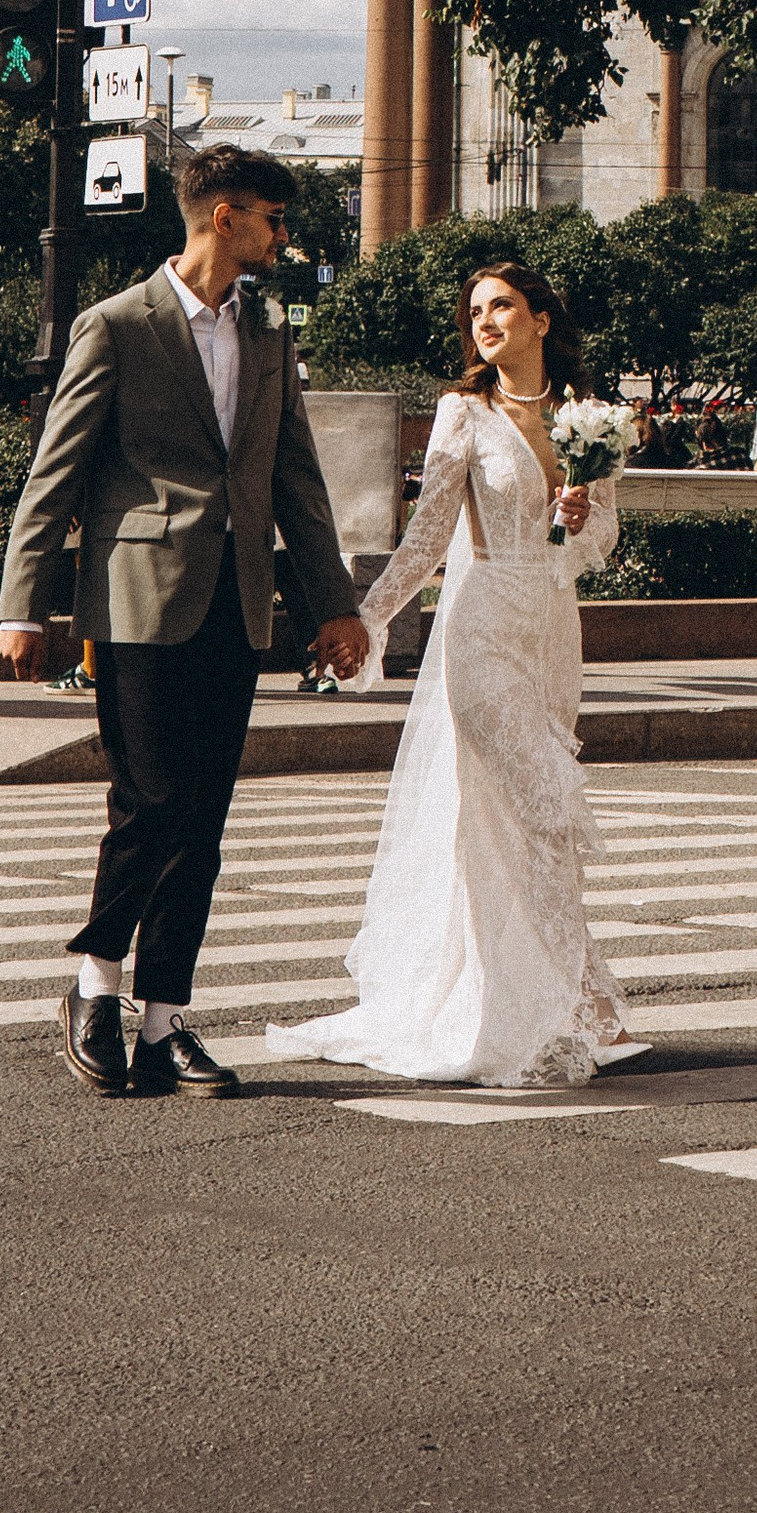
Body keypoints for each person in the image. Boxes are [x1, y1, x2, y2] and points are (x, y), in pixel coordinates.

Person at [0, 146, 367, 1100]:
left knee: (202, 819)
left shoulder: (270, 330)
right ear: (227, 216)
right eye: (276, 222)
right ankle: (93, 986)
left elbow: (297, 478)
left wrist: (333, 606)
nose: (286, 239)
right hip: (136, 599)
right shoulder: (118, 325)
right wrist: (22, 606)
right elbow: (56, 475)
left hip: (237, 604)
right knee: (148, 801)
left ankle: (162, 1025)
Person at [266, 263, 637, 1087]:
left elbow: (601, 543)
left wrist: (576, 520)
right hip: (480, 632)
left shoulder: (588, 418)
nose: (484, 320)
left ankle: (528, 992)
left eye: (501, 305)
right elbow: (431, 534)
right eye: (474, 311)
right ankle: (551, 1020)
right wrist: (368, 616)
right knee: (547, 806)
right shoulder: (461, 413)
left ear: (541, 318)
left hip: (552, 633)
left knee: (514, 825)